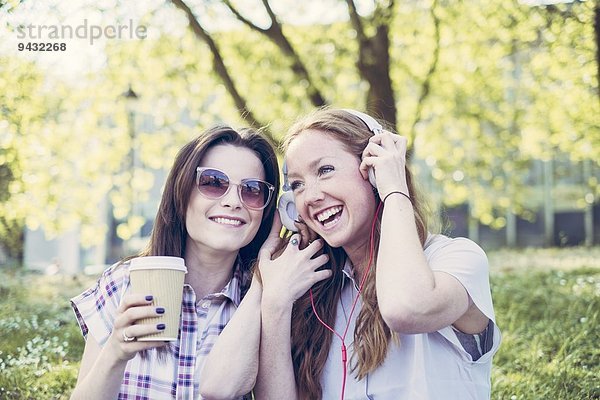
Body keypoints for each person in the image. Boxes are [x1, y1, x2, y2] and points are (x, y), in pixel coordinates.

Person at [203, 108, 501, 400]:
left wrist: (394, 189)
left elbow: (405, 308)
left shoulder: (455, 259)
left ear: (373, 171)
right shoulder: (319, 292)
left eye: (325, 170)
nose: (312, 196)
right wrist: (274, 300)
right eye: (297, 185)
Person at [69, 126, 280, 400]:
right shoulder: (123, 283)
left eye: (252, 190)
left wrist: (266, 278)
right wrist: (115, 352)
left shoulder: (267, 305)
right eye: (214, 183)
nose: (233, 202)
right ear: (182, 193)